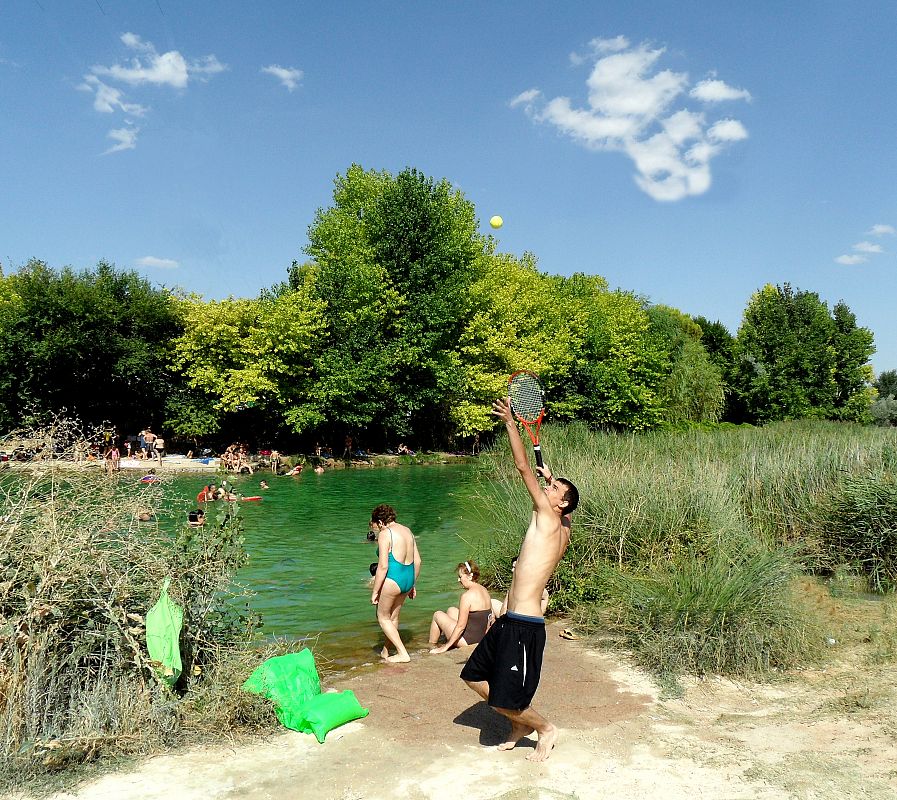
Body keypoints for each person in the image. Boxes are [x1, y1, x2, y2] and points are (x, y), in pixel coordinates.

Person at [459, 396, 579, 762]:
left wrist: (511, 424)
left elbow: (523, 467)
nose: (548, 488)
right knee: (473, 676)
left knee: (508, 696)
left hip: (525, 625)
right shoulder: (564, 527)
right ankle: (517, 723)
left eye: (555, 489)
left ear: (559, 504)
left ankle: (544, 727)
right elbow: (563, 506)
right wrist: (552, 481)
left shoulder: (548, 515)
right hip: (508, 620)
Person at [370, 503, 421, 663]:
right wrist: (412, 583)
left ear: (380, 521)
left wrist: (375, 591)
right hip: (407, 577)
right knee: (393, 617)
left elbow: (383, 566)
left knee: (382, 617)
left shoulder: (386, 534)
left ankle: (402, 653)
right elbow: (418, 561)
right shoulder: (408, 531)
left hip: (393, 578)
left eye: (375, 525)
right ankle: (386, 651)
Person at [429, 560, 494, 653]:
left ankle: (431, 645)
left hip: (468, 641)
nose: (458, 580)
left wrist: (445, 647)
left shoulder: (467, 596)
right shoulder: (484, 590)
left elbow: (461, 626)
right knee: (451, 610)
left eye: (460, 577)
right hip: (481, 637)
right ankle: (447, 639)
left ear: (470, 576)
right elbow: (491, 617)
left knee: (437, 614)